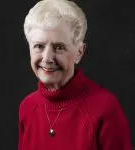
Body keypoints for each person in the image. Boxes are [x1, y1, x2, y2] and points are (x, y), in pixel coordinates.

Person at [18, 0, 132, 149]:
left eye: (59, 47)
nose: (47, 58)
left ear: (79, 52)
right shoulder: (27, 107)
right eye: (39, 46)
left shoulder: (105, 108)